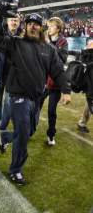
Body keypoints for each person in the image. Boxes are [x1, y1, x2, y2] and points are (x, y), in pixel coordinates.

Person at [0, 12, 70, 185]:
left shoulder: (48, 49)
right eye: (29, 24)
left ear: (41, 28)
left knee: (29, 132)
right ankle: (16, 170)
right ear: (25, 26)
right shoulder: (15, 43)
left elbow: (57, 71)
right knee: (23, 132)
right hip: (18, 97)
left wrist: (66, 90)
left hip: (36, 97)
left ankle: (5, 138)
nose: (33, 26)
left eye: (36, 24)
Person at [39, 17, 68, 145]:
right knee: (36, 106)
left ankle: (51, 135)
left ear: (58, 28)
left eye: (51, 26)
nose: (48, 28)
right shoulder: (44, 38)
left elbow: (62, 59)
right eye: (48, 26)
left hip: (55, 83)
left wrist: (49, 45)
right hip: (44, 80)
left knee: (51, 111)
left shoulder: (63, 41)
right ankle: (29, 128)